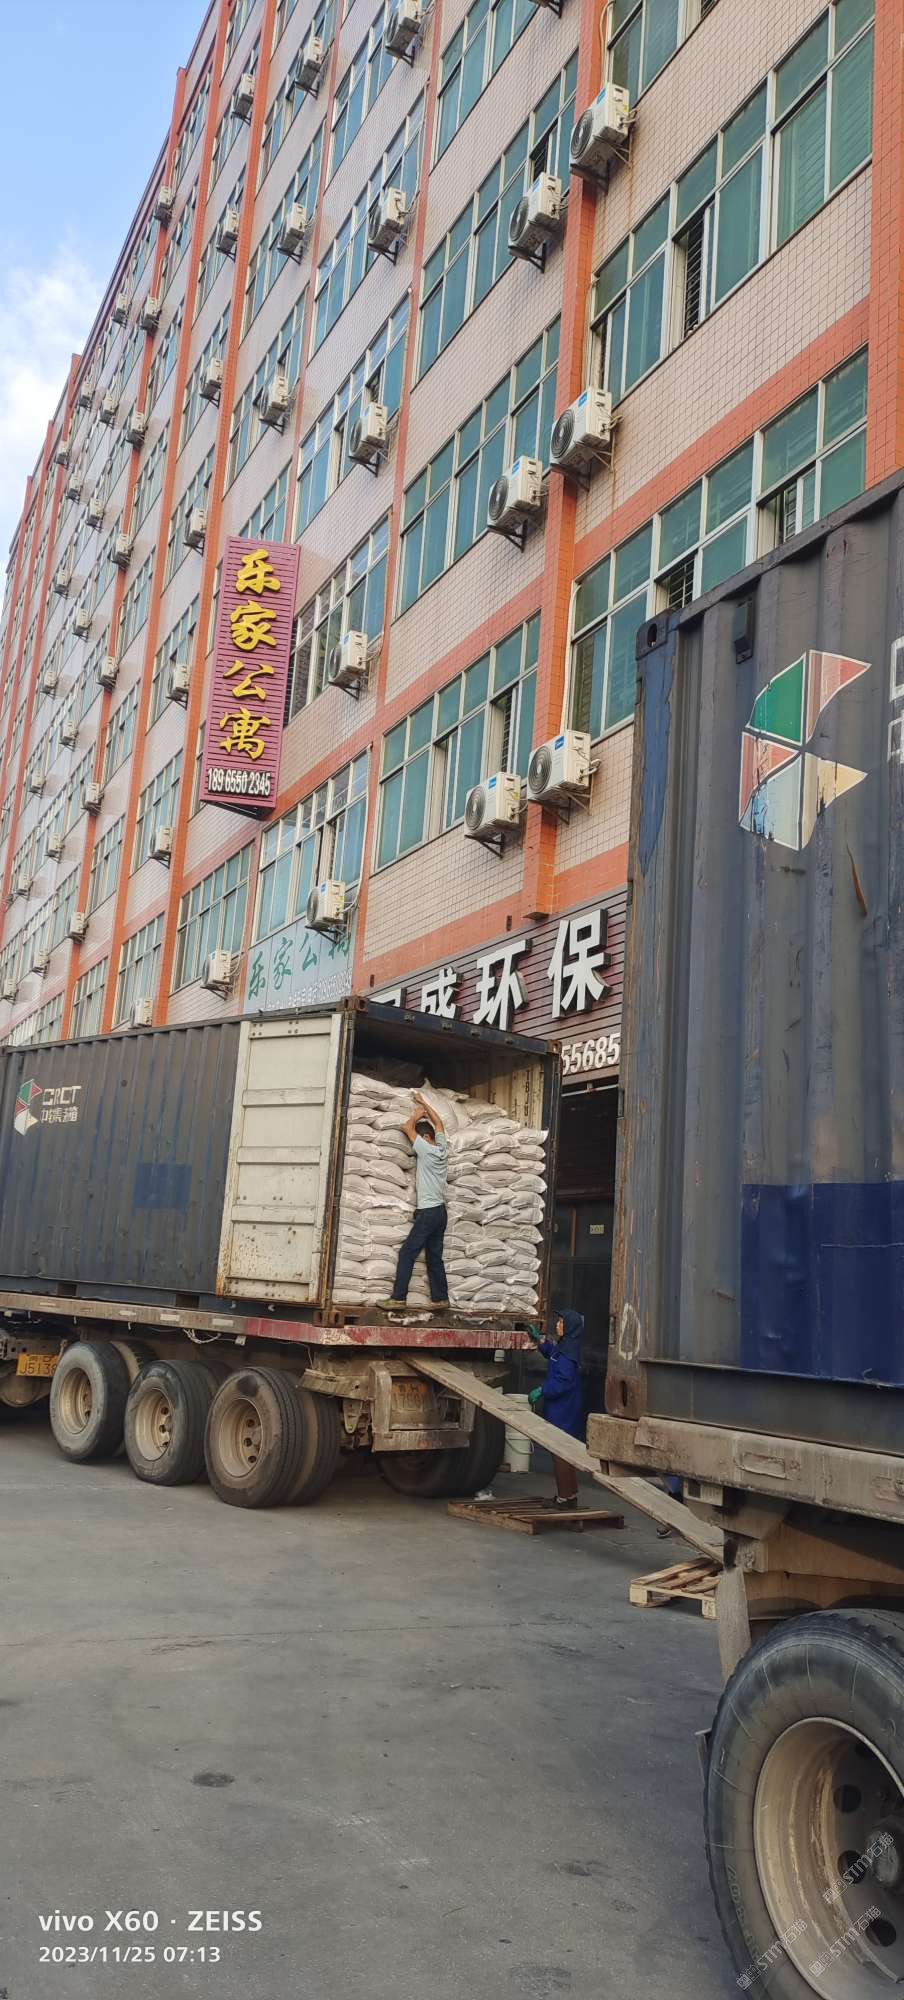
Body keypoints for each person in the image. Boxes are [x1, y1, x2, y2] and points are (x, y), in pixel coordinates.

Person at [379, 1091, 450, 1311]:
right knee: (435, 1257)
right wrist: (424, 1103)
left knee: (407, 1252)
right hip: (441, 1213)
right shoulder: (442, 1149)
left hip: (428, 1212)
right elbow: (439, 1124)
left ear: (425, 1138)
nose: (415, 1145)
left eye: (418, 1140)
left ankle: (398, 1298)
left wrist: (416, 1116)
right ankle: (441, 1299)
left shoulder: (426, 1150)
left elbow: (406, 1128)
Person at [527, 1310, 585, 1508]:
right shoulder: (565, 1346)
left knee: (560, 1453)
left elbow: (562, 1383)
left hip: (564, 1410)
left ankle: (564, 1498)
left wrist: (542, 1390)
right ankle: (570, 1495)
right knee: (563, 1452)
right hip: (560, 1408)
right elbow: (552, 1354)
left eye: (561, 1323)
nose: (558, 1325)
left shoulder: (569, 1355)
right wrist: (540, 1341)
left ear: (570, 1327)